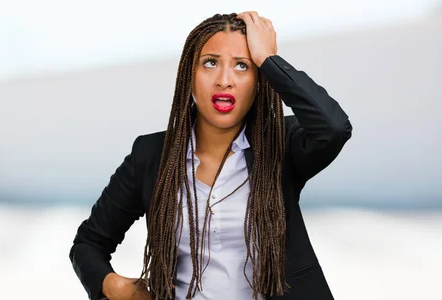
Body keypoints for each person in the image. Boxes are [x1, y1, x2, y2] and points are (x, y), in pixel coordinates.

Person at [69, 11, 352, 300]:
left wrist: (268, 59)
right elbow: (89, 243)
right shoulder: (150, 155)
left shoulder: (281, 145)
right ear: (188, 74)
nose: (224, 80)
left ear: (258, 80)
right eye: (211, 63)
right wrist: (116, 286)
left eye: (242, 66)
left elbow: (334, 127)